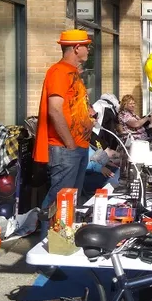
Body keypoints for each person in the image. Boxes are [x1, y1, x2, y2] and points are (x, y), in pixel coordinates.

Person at [34, 29, 94, 235]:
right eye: (86, 45)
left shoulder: (73, 73)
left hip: (77, 147)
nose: (88, 49)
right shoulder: (59, 72)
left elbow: (70, 106)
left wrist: (88, 116)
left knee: (69, 200)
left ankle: (62, 242)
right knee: (58, 199)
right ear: (77, 48)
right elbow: (55, 109)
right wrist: (70, 142)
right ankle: (46, 248)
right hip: (66, 148)